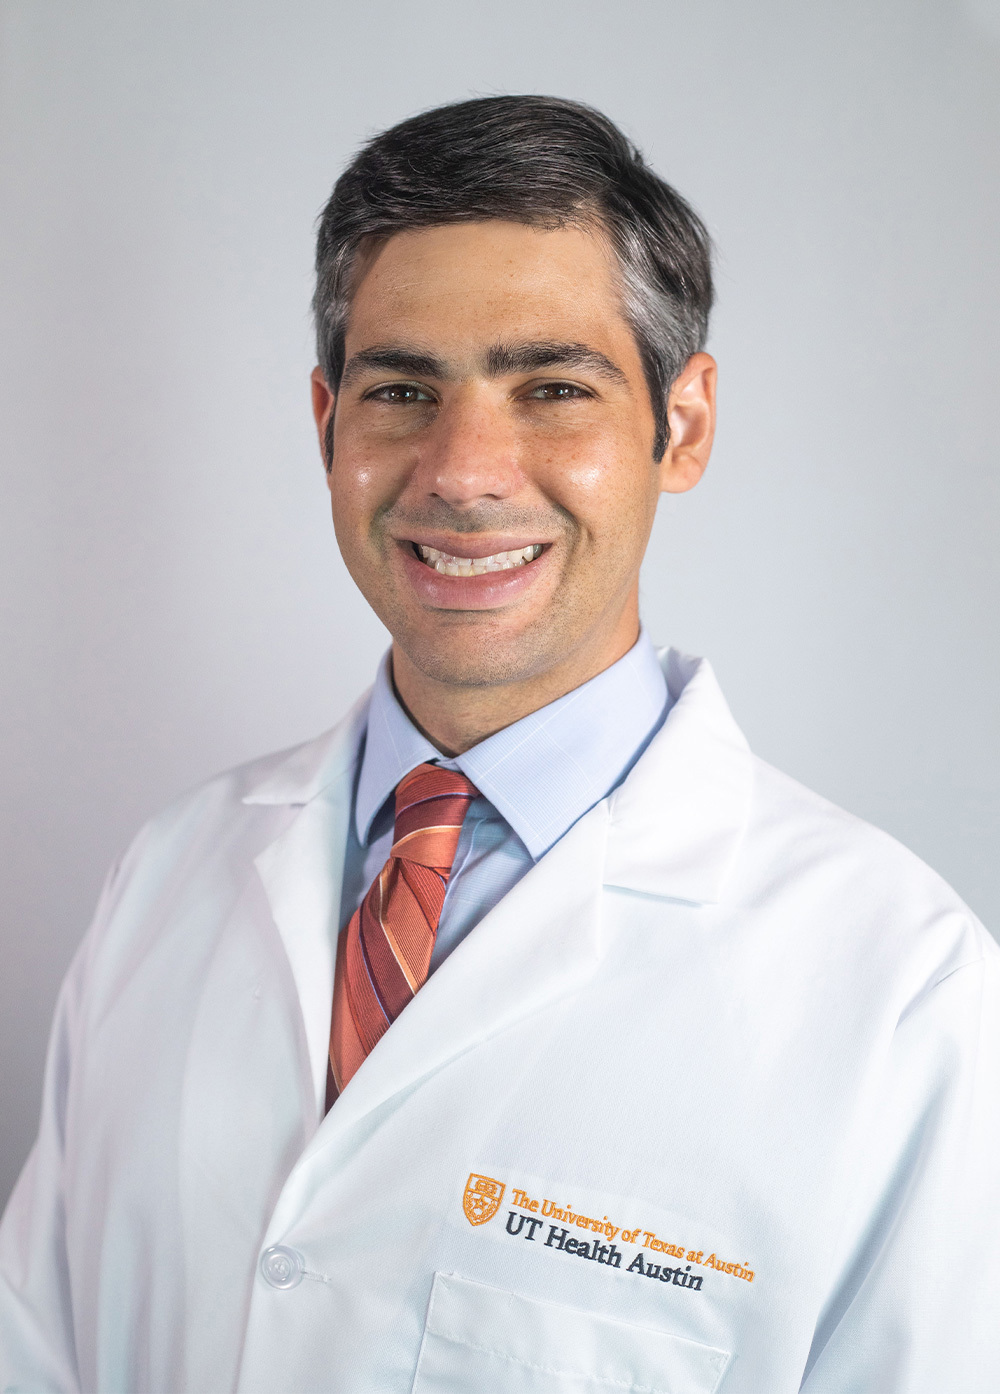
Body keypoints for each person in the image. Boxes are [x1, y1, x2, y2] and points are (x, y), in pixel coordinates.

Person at [1, 94, 997, 1394]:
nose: (464, 471)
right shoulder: (166, 876)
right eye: (402, 390)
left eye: (553, 388)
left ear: (684, 425)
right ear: (327, 424)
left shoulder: (903, 996)